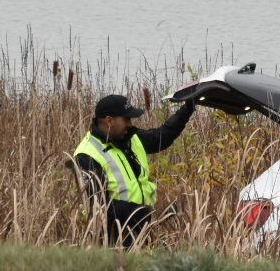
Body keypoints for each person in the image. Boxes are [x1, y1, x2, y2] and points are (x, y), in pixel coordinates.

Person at [73, 93, 197, 247]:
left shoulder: (128, 137)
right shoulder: (86, 155)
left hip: (143, 233)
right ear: (109, 120)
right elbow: (100, 206)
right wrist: (148, 213)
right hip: (114, 243)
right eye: (126, 119)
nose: (130, 123)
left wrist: (189, 107)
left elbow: (161, 137)